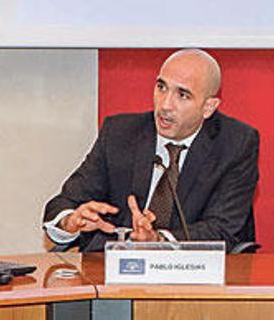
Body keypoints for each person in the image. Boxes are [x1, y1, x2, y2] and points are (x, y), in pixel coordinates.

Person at [43, 49, 259, 251]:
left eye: (182, 95)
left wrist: (158, 242)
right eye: (161, 87)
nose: (165, 105)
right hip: (114, 277)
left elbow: (223, 228)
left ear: (208, 107)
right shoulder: (119, 134)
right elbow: (63, 203)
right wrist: (70, 221)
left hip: (192, 278)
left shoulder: (235, 143)